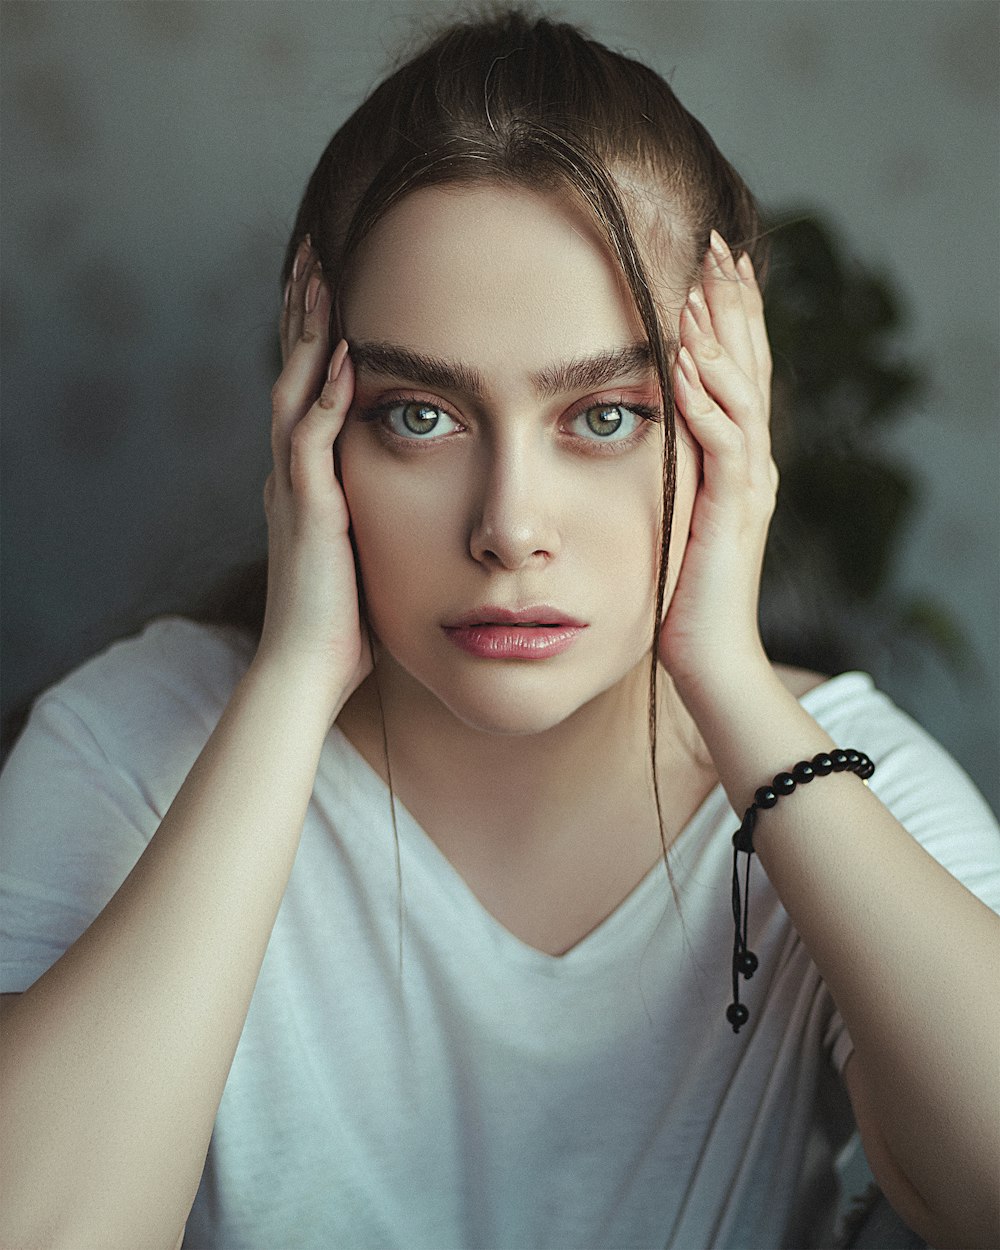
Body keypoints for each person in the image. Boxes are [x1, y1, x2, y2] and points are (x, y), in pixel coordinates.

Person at [1, 10, 997, 1249]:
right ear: (312, 426)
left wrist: (729, 680)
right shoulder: (123, 742)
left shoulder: (852, 776)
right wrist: (293, 679)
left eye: (607, 414)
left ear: (727, 421)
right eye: (420, 415)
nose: (510, 525)